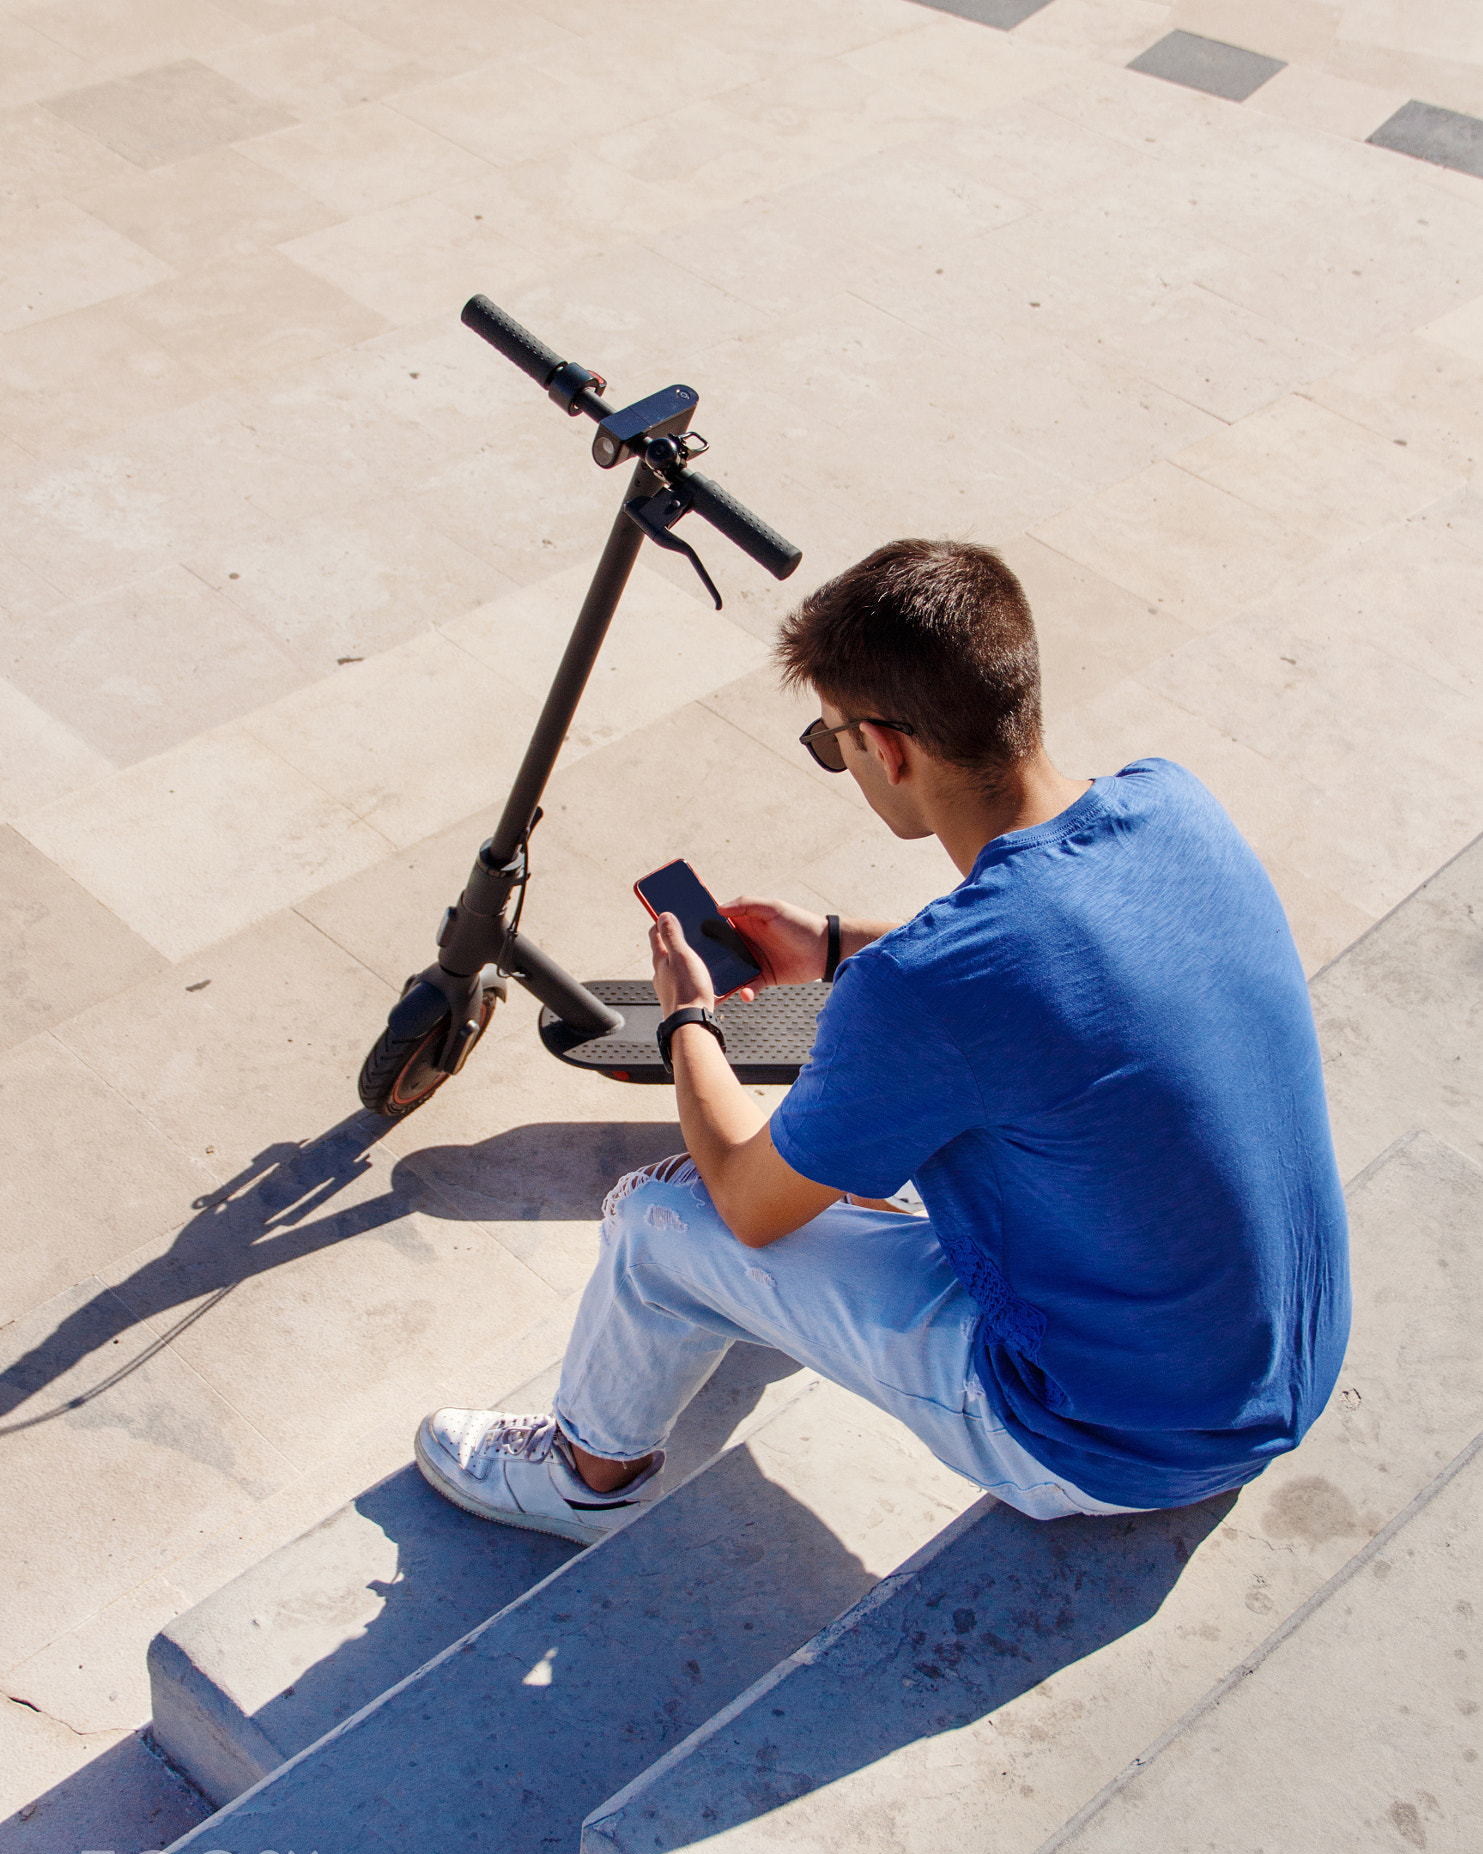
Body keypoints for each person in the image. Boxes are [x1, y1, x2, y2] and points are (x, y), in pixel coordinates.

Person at [414, 539, 1351, 1540]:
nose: (841, 761)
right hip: (1280, 1365)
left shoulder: (923, 991)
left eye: (832, 742)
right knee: (891, 1136)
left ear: (886, 748)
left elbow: (746, 1197)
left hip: (1103, 1437)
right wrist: (827, 944)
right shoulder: (1173, 802)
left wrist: (686, 1018)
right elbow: (1063, 963)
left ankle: (581, 1473)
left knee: (661, 1216)